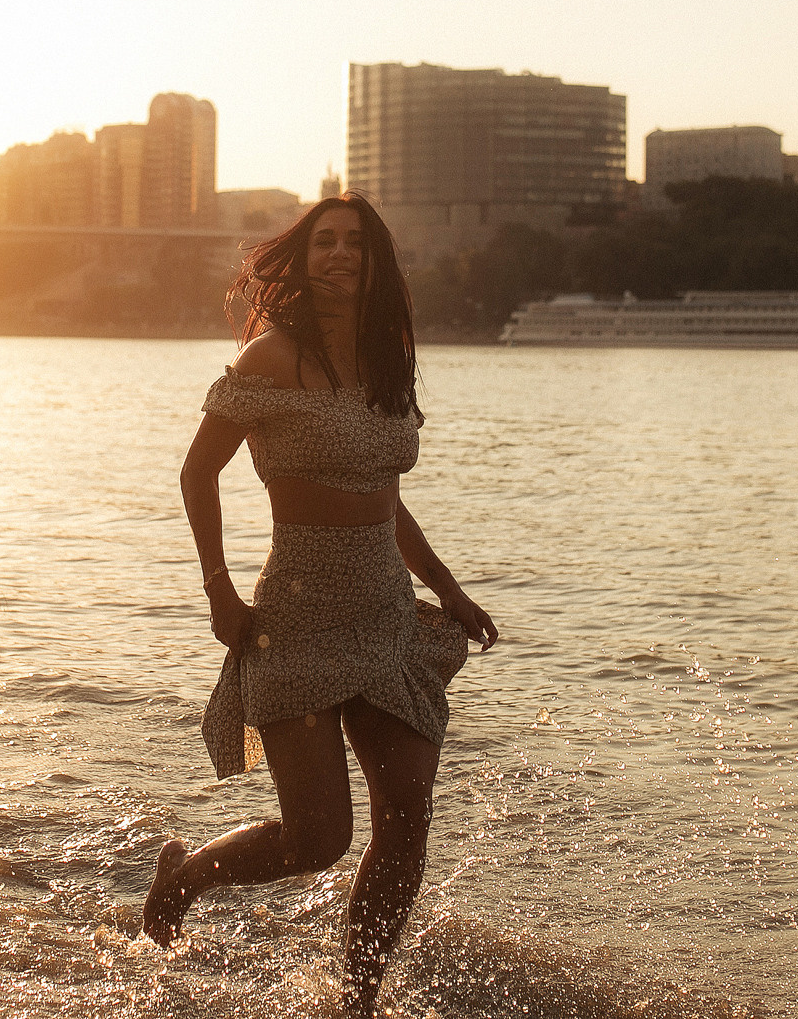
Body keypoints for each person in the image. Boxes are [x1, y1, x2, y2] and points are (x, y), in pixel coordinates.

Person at [142, 193, 499, 1015]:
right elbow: (198, 472)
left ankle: (358, 1000)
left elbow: (383, 498)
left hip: (387, 618)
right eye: (326, 241)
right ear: (303, 260)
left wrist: (447, 590)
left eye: (357, 243)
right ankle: (186, 877)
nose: (341, 253)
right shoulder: (270, 358)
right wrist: (218, 589)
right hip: (297, 622)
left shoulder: (387, 360)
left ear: (377, 263)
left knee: (406, 820)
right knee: (318, 839)